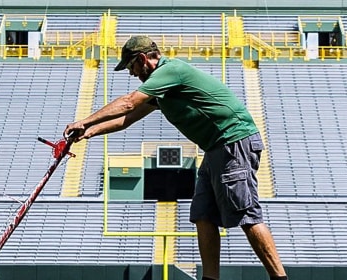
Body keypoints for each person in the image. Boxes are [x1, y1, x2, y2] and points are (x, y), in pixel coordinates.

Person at [64, 35, 288, 280]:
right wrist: (89, 131)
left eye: (131, 67)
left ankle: (279, 278)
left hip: (233, 141)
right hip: (215, 148)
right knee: (203, 214)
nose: (131, 74)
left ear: (142, 59)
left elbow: (128, 104)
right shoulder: (161, 89)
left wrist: (83, 120)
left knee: (245, 213)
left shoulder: (171, 70)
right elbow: (127, 119)